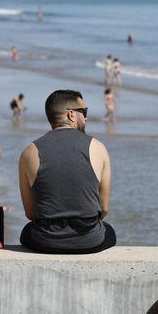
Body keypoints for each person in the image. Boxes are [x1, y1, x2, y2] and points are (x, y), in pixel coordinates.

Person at [18, 90, 115, 254]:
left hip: (45, 241)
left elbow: (30, 213)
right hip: (90, 241)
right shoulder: (98, 148)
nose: (86, 117)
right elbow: (103, 209)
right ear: (71, 115)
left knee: (27, 231)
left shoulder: (29, 152)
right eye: (84, 112)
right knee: (109, 231)